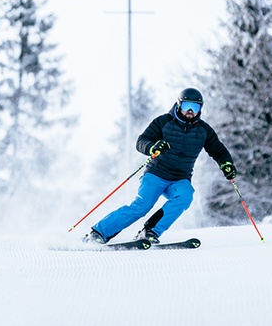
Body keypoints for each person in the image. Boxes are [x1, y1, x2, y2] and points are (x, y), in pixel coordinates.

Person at [84, 87, 237, 244]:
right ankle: (98, 233)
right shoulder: (163, 122)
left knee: (185, 196)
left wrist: (226, 164)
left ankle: (149, 231)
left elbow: (218, 150)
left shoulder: (204, 130)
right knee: (141, 206)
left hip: (180, 178)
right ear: (178, 105)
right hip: (156, 174)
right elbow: (141, 141)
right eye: (186, 106)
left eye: (195, 107)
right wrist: (153, 147)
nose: (190, 111)